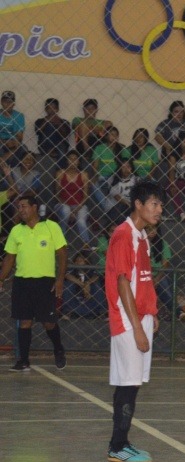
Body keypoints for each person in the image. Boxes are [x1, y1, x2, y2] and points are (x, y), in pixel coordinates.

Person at [103, 180, 165, 462]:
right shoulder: (123, 235)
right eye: (154, 204)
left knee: (133, 383)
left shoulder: (142, 236)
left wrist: (151, 312)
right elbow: (122, 283)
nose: (159, 210)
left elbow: (142, 280)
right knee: (128, 384)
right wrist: (137, 327)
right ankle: (118, 445)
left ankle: (122, 442)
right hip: (128, 321)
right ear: (138, 205)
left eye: (161, 204)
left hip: (140, 318)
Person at [0, 194, 68, 371]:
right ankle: (23, 360)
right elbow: (9, 258)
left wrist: (60, 279)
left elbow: (62, 254)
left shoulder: (51, 227)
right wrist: (1, 278)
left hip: (45, 282)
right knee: (24, 321)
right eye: (19, 207)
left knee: (48, 322)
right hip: (22, 282)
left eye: (24, 206)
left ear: (34, 207)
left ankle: (58, 349)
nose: (21, 210)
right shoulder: (16, 231)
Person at [55, 150, 92, 245]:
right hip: (62, 204)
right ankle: (60, 244)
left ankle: (86, 244)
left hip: (79, 205)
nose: (73, 161)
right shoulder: (60, 173)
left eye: (75, 159)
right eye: (70, 158)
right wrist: (68, 207)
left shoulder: (84, 175)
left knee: (81, 221)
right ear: (67, 160)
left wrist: (75, 211)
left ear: (79, 161)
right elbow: (57, 194)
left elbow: (85, 196)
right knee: (66, 210)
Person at [0, 90, 26, 168]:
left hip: (13, 142)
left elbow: (19, 138)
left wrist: (11, 151)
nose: (7, 104)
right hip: (1, 141)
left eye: (10, 102)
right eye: (5, 101)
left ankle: (11, 172)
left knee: (23, 149)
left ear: (13, 104)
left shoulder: (19, 116)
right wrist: (4, 142)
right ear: (1, 102)